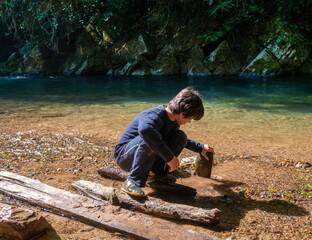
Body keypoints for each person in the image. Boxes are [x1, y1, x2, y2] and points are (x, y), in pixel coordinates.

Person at [114, 87, 214, 197]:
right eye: (190, 118)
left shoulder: (173, 122)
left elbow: (181, 141)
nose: (189, 122)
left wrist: (200, 148)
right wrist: (170, 158)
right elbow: (145, 130)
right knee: (151, 138)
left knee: (180, 137)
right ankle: (132, 181)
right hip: (124, 156)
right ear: (183, 113)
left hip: (140, 153)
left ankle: (157, 175)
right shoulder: (154, 115)